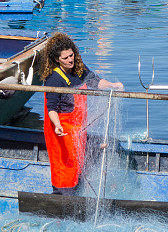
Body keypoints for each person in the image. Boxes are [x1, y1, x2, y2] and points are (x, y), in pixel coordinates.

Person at [42, 32, 123, 195]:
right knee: (64, 167)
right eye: (65, 58)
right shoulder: (54, 79)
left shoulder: (78, 67)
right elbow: (51, 108)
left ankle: (75, 190)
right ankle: (60, 195)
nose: (70, 60)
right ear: (57, 59)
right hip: (61, 131)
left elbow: (94, 80)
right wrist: (57, 125)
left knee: (78, 164)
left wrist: (112, 85)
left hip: (78, 129)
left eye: (71, 55)